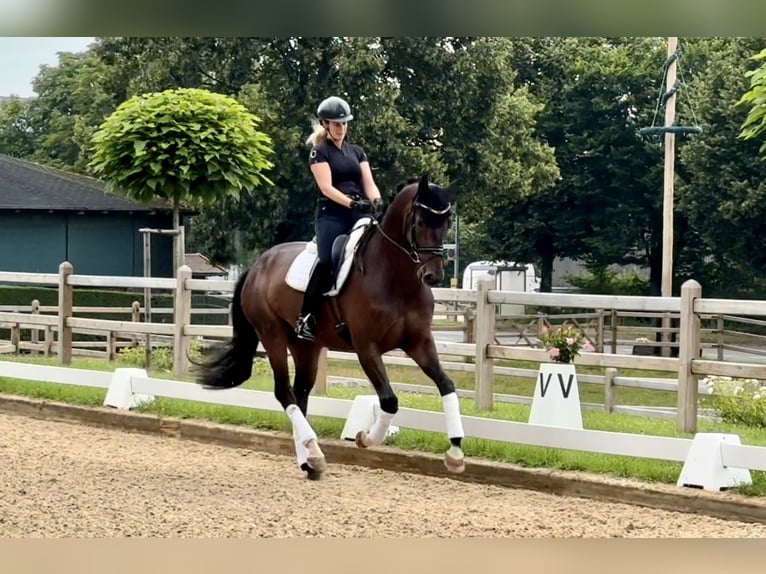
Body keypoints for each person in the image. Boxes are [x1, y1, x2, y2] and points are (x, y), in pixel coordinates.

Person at [295, 95, 384, 341]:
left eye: (344, 123)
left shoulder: (357, 152)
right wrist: (352, 202)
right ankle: (307, 317)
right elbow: (326, 188)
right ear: (325, 124)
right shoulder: (319, 152)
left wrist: (376, 202)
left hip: (359, 213)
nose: (341, 128)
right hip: (331, 214)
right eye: (336, 123)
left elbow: (369, 183)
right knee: (327, 260)